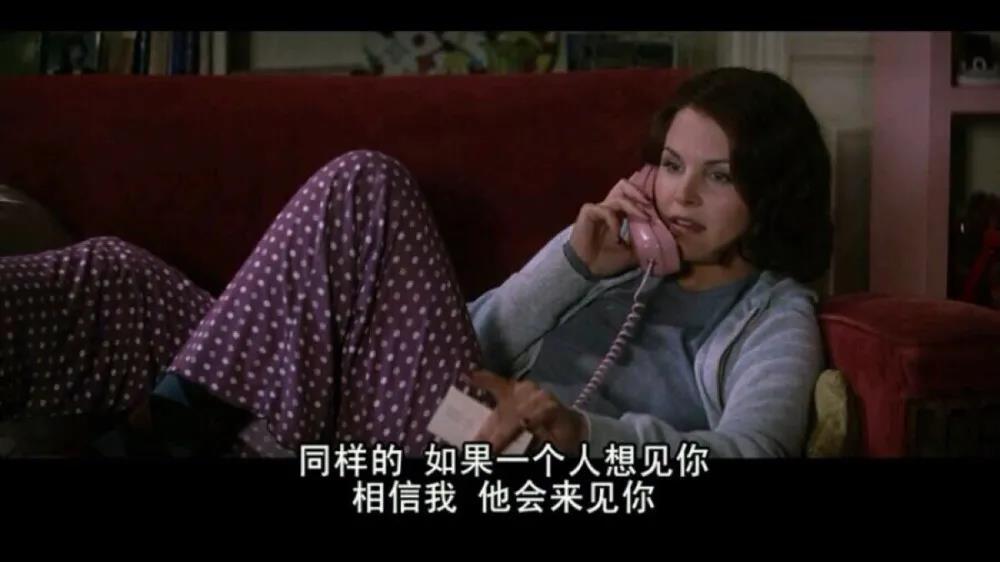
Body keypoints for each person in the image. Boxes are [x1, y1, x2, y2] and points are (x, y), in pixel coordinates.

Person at [0, 67, 831, 459]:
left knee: (368, 184)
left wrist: (582, 433)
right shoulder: (615, 259)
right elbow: (458, 344)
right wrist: (576, 263)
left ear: (771, 193)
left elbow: (755, 449)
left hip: (489, 456)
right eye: (672, 164)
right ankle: (193, 427)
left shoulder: (772, 313)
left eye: (719, 176)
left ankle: (175, 431)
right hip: (425, 412)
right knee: (112, 276)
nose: (681, 195)